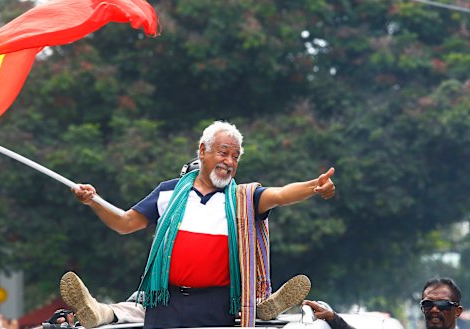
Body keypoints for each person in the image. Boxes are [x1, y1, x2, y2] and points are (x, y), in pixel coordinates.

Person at [70, 121, 335, 328]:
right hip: (165, 302)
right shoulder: (168, 192)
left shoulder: (244, 198)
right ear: (202, 151)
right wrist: (94, 201)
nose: (229, 162)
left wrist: (314, 186)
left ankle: (261, 303)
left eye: (235, 157)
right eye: (223, 153)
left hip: (216, 305)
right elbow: (124, 223)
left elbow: (281, 194)